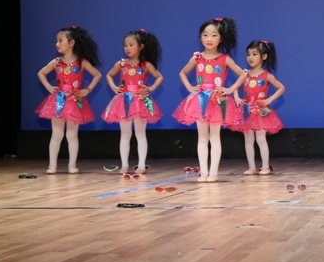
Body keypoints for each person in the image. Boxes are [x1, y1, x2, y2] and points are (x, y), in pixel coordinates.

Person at [172, 17, 245, 182]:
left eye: (214, 35)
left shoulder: (224, 58)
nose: (209, 39)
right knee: (202, 137)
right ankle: (203, 172)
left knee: (215, 137)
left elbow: (242, 75)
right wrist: (190, 87)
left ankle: (213, 173)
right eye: (205, 35)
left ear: (221, 38)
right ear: (200, 38)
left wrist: (229, 89)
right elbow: (182, 73)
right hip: (200, 100)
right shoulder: (197, 58)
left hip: (218, 101)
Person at [36, 26, 102, 174]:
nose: (57, 44)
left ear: (71, 43)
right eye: (56, 41)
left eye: (60, 40)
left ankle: (72, 165)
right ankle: (52, 166)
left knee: (72, 135)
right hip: (58, 100)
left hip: (74, 101)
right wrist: (48, 86)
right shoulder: (56, 62)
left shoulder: (81, 62)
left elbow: (97, 75)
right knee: (57, 134)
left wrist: (87, 90)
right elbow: (41, 73)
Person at [101, 29, 164, 174]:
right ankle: (124, 165)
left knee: (140, 134)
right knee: (125, 134)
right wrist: (114, 87)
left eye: (131, 45)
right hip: (124, 101)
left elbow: (159, 77)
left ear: (141, 46)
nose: (127, 48)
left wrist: (150, 88)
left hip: (141, 101)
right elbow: (109, 75)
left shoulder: (145, 65)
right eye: (125, 45)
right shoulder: (121, 64)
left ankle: (141, 165)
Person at [232, 40, 286, 175]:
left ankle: (265, 167)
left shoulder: (267, 75)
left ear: (264, 56)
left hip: (261, 111)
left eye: (254, 54)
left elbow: (281, 88)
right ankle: (251, 167)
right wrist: (237, 97)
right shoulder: (244, 74)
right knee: (248, 139)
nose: (250, 57)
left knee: (261, 139)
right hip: (247, 111)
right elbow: (236, 86)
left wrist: (269, 100)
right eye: (248, 54)